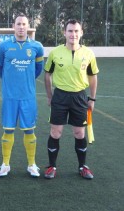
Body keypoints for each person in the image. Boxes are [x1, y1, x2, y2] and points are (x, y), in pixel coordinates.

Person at [44, 19, 99, 179]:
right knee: (56, 132)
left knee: (79, 133)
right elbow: (47, 74)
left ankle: (82, 166)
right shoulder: (55, 53)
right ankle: (51, 167)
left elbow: (93, 77)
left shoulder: (88, 54)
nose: (73, 34)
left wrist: (92, 99)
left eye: (76, 31)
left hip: (80, 97)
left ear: (81, 33)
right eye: (70, 31)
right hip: (60, 96)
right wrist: (49, 95)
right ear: (64, 33)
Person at [0, 14, 44, 178]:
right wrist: (11, 83)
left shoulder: (37, 47)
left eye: (24, 24)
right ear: (13, 26)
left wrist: (25, 81)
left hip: (28, 97)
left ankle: (32, 164)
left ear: (28, 26)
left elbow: (38, 69)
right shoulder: (4, 46)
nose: (21, 27)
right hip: (10, 97)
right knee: (8, 130)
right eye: (18, 24)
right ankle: (5, 164)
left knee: (29, 131)